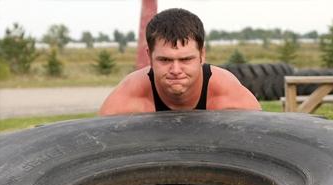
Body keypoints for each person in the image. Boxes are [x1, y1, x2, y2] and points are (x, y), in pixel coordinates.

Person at [99, 8, 261, 115]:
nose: (176, 70)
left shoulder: (230, 97)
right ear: (149, 56)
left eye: (185, 59)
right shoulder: (126, 101)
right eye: (165, 59)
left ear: (202, 55)